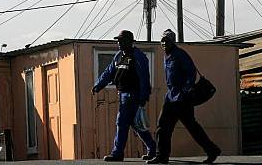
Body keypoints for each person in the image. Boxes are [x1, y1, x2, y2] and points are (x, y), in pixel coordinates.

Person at [148, 29, 221, 164]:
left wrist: (184, 91)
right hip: (171, 97)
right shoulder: (167, 55)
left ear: (172, 42)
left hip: (182, 99)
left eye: (167, 40)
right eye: (162, 40)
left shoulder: (180, 54)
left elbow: (191, 73)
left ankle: (212, 150)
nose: (164, 43)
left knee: (191, 127)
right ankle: (162, 156)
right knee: (163, 126)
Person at [92, 30, 156, 162]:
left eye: (121, 41)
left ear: (129, 42)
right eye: (118, 41)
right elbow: (109, 72)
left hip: (134, 96)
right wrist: (98, 85)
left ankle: (117, 153)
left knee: (122, 123)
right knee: (136, 125)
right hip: (123, 95)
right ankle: (152, 148)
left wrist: (143, 97)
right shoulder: (118, 56)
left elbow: (144, 77)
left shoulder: (138, 56)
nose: (119, 43)